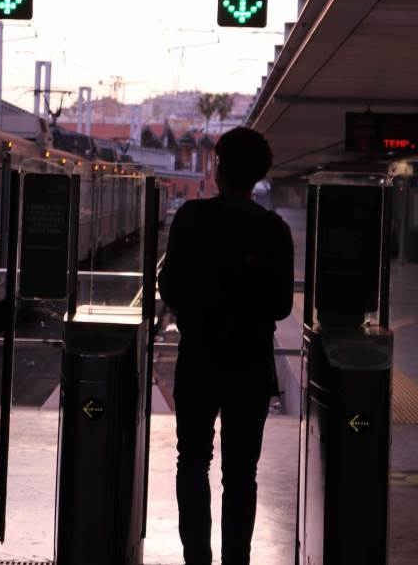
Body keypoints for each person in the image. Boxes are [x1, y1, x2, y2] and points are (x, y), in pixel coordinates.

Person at [158, 127, 295, 565]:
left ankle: (196, 558)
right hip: (250, 366)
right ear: (258, 175)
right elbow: (280, 306)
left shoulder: (191, 219)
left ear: (219, 168)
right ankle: (237, 559)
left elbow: (170, 289)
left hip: (199, 359)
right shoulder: (274, 231)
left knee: (192, 461)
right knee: (240, 473)